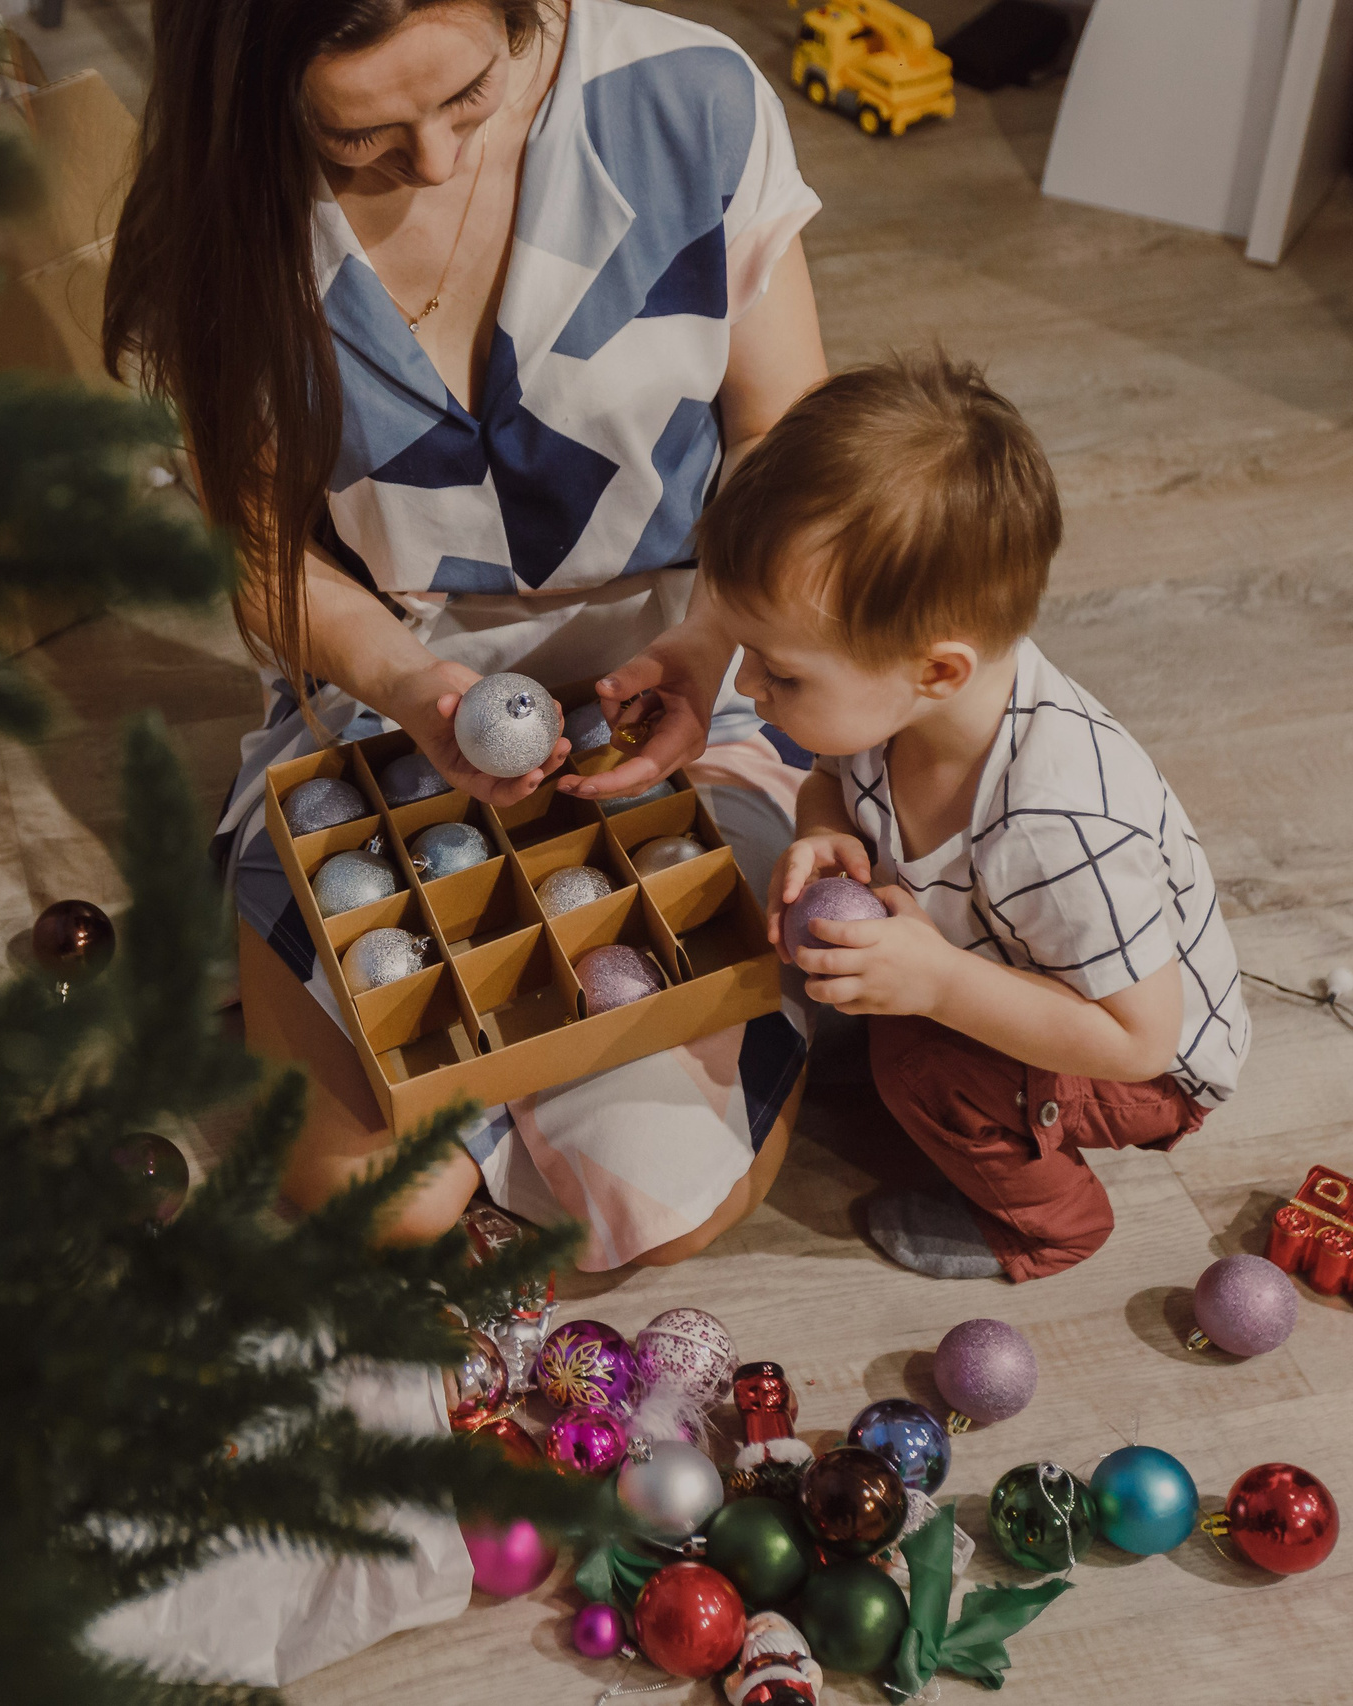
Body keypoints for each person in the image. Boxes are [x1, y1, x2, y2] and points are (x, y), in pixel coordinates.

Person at [104, 0, 828, 1265]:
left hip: (690, 660)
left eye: (468, 98)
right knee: (375, 1203)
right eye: (359, 136)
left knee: (647, 1216)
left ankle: (547, 1076)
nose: (432, 161)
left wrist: (711, 643)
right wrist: (409, 682)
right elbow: (265, 561)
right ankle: (519, 1068)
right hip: (383, 698)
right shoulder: (221, 209)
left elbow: (787, 440)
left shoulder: (688, 101)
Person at [699, 353, 1249, 1282]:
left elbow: (1138, 1040)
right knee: (898, 1028)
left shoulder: (1059, 824)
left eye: (780, 670)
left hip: (1140, 1065)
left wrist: (942, 990)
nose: (746, 685)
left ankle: (1049, 1226)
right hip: (1014, 961)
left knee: (917, 1064)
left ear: (939, 671)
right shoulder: (892, 701)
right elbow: (833, 776)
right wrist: (822, 822)